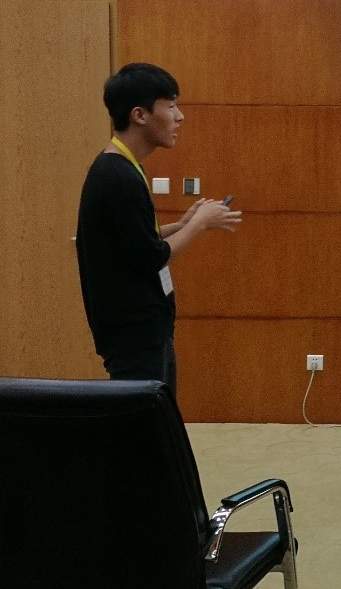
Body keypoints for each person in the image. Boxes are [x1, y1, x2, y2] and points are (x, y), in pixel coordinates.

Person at [75, 63, 241, 397]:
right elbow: (152, 257)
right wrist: (198, 224)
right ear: (140, 115)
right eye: (171, 106)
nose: (180, 117)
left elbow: (134, 241)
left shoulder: (122, 168)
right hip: (133, 331)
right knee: (144, 419)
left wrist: (181, 225)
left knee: (152, 414)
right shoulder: (117, 176)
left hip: (141, 328)